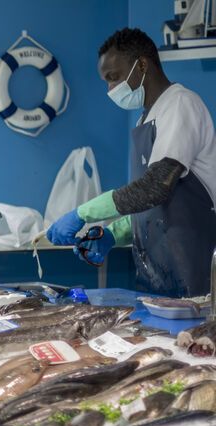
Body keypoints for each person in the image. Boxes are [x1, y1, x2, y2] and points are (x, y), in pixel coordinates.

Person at [46, 28, 216, 297]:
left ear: (142, 65)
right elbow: (152, 209)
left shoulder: (180, 104)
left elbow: (155, 187)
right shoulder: (144, 121)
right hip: (158, 276)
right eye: (107, 82)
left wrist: (83, 212)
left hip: (195, 272)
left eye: (114, 78)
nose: (111, 89)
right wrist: (114, 234)